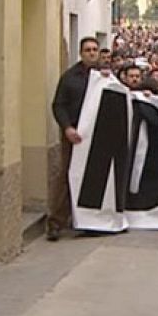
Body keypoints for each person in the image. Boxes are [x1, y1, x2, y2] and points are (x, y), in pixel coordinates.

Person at [49, 37, 101, 241]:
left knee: (93, 178)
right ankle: (55, 223)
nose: (91, 53)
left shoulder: (105, 77)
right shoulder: (69, 78)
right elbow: (58, 105)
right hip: (74, 137)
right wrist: (67, 128)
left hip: (96, 137)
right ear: (81, 53)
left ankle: (90, 221)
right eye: (87, 50)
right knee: (67, 177)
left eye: (95, 50)